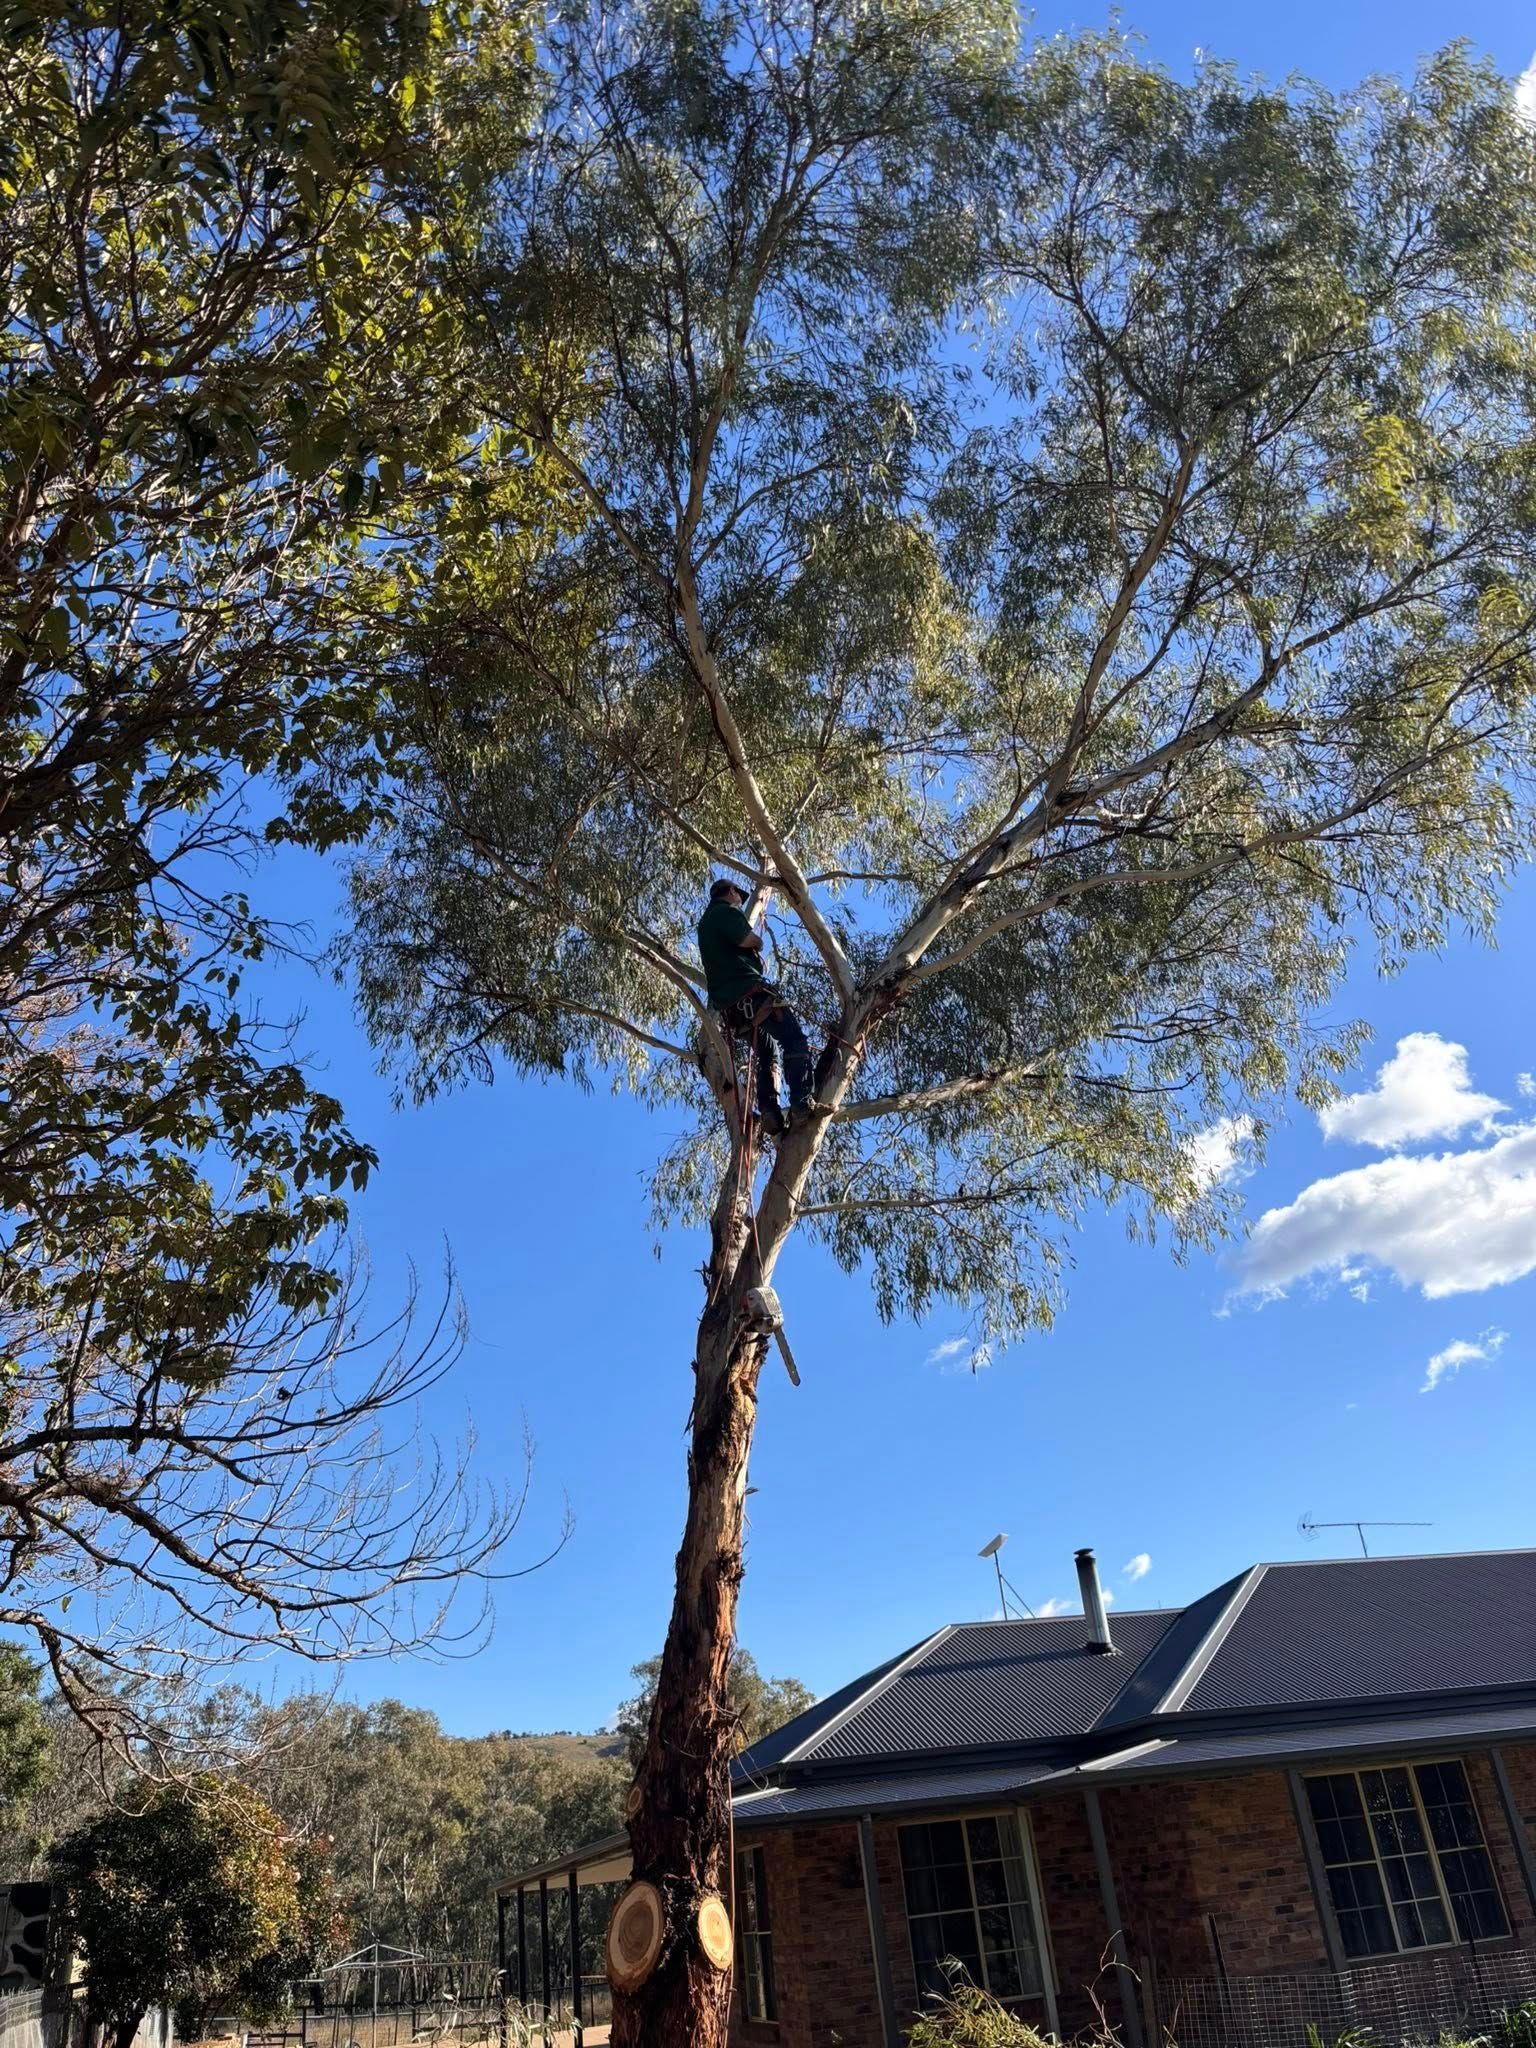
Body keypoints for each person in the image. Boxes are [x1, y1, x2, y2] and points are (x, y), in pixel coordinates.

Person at [696, 878, 813, 1136]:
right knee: (795, 1040)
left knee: (766, 1051)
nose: (740, 899)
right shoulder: (724, 912)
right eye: (739, 894)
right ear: (730, 892)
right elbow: (746, 939)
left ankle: (770, 1112)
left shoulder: (704, 925)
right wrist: (758, 943)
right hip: (751, 994)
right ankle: (801, 1104)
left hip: (733, 1011)